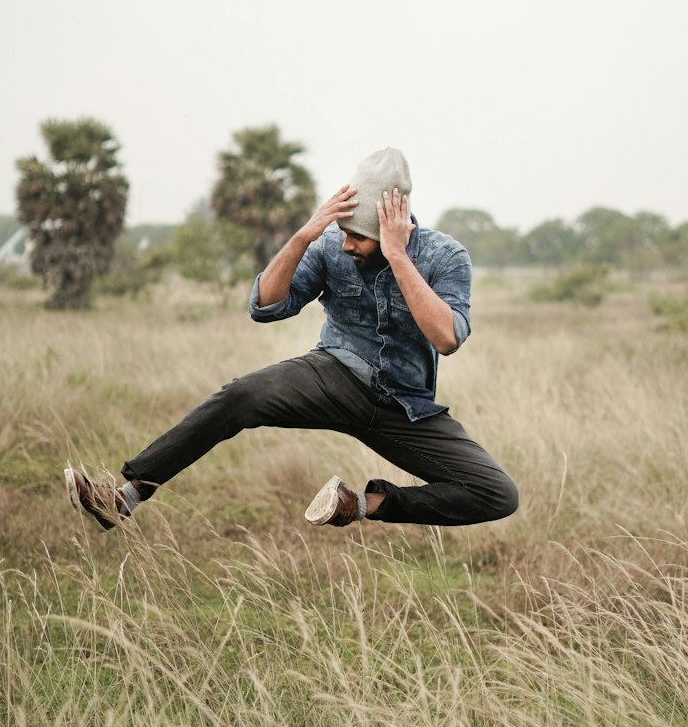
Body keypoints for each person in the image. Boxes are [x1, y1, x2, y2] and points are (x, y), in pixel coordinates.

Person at [65, 147, 518, 531]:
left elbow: (446, 338)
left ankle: (358, 505)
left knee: (497, 493)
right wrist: (304, 235)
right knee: (239, 397)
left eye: (358, 236)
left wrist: (397, 256)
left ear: (389, 229)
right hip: (333, 376)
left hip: (406, 406)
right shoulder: (326, 245)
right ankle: (124, 497)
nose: (345, 245)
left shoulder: (445, 257)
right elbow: (264, 306)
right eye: (342, 232)